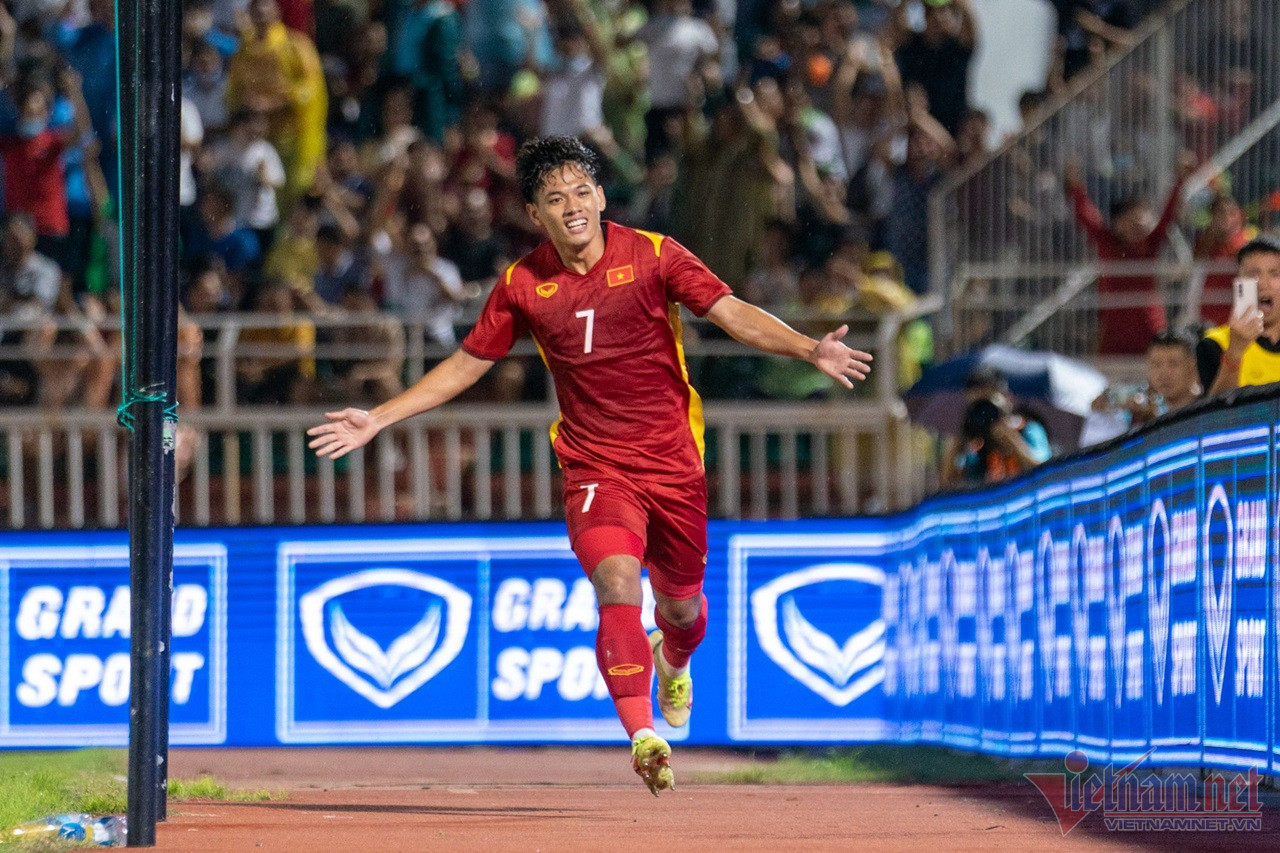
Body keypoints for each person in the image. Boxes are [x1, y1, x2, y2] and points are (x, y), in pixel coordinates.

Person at [308, 135, 872, 794]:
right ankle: (643, 736)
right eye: (555, 198)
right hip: (594, 465)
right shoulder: (522, 284)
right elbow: (467, 364)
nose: (571, 205)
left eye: (581, 192)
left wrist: (809, 349)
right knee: (616, 583)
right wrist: (379, 417)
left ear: (602, 197)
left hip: (673, 464)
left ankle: (674, 660)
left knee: (682, 609)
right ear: (534, 213)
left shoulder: (655, 255)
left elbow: (731, 313)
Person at [1065, 154, 1194, 354]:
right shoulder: (1108, 243)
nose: (1138, 228)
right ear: (1118, 223)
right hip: (1114, 334)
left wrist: (1180, 180)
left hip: (1150, 329)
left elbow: (1168, 214)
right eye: (1131, 222)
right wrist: (1075, 185)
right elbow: (1086, 215)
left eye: (1141, 223)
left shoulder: (1150, 245)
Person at [1081, 330, 1202, 445]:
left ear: (1192, 367)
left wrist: (1153, 421)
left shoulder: (1206, 408)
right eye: (1156, 364)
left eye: (1173, 364)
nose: (1164, 373)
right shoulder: (1136, 406)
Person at [1197, 235, 1280, 395]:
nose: (1263, 283)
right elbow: (1215, 409)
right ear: (1238, 282)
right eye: (1253, 274)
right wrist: (1234, 353)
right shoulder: (1213, 344)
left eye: (1274, 274)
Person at [941, 366, 1051, 486]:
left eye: (988, 406)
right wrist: (956, 447)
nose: (984, 414)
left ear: (1007, 399)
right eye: (977, 407)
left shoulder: (1027, 430)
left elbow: (1046, 475)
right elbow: (948, 485)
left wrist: (1014, 442)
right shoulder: (973, 443)